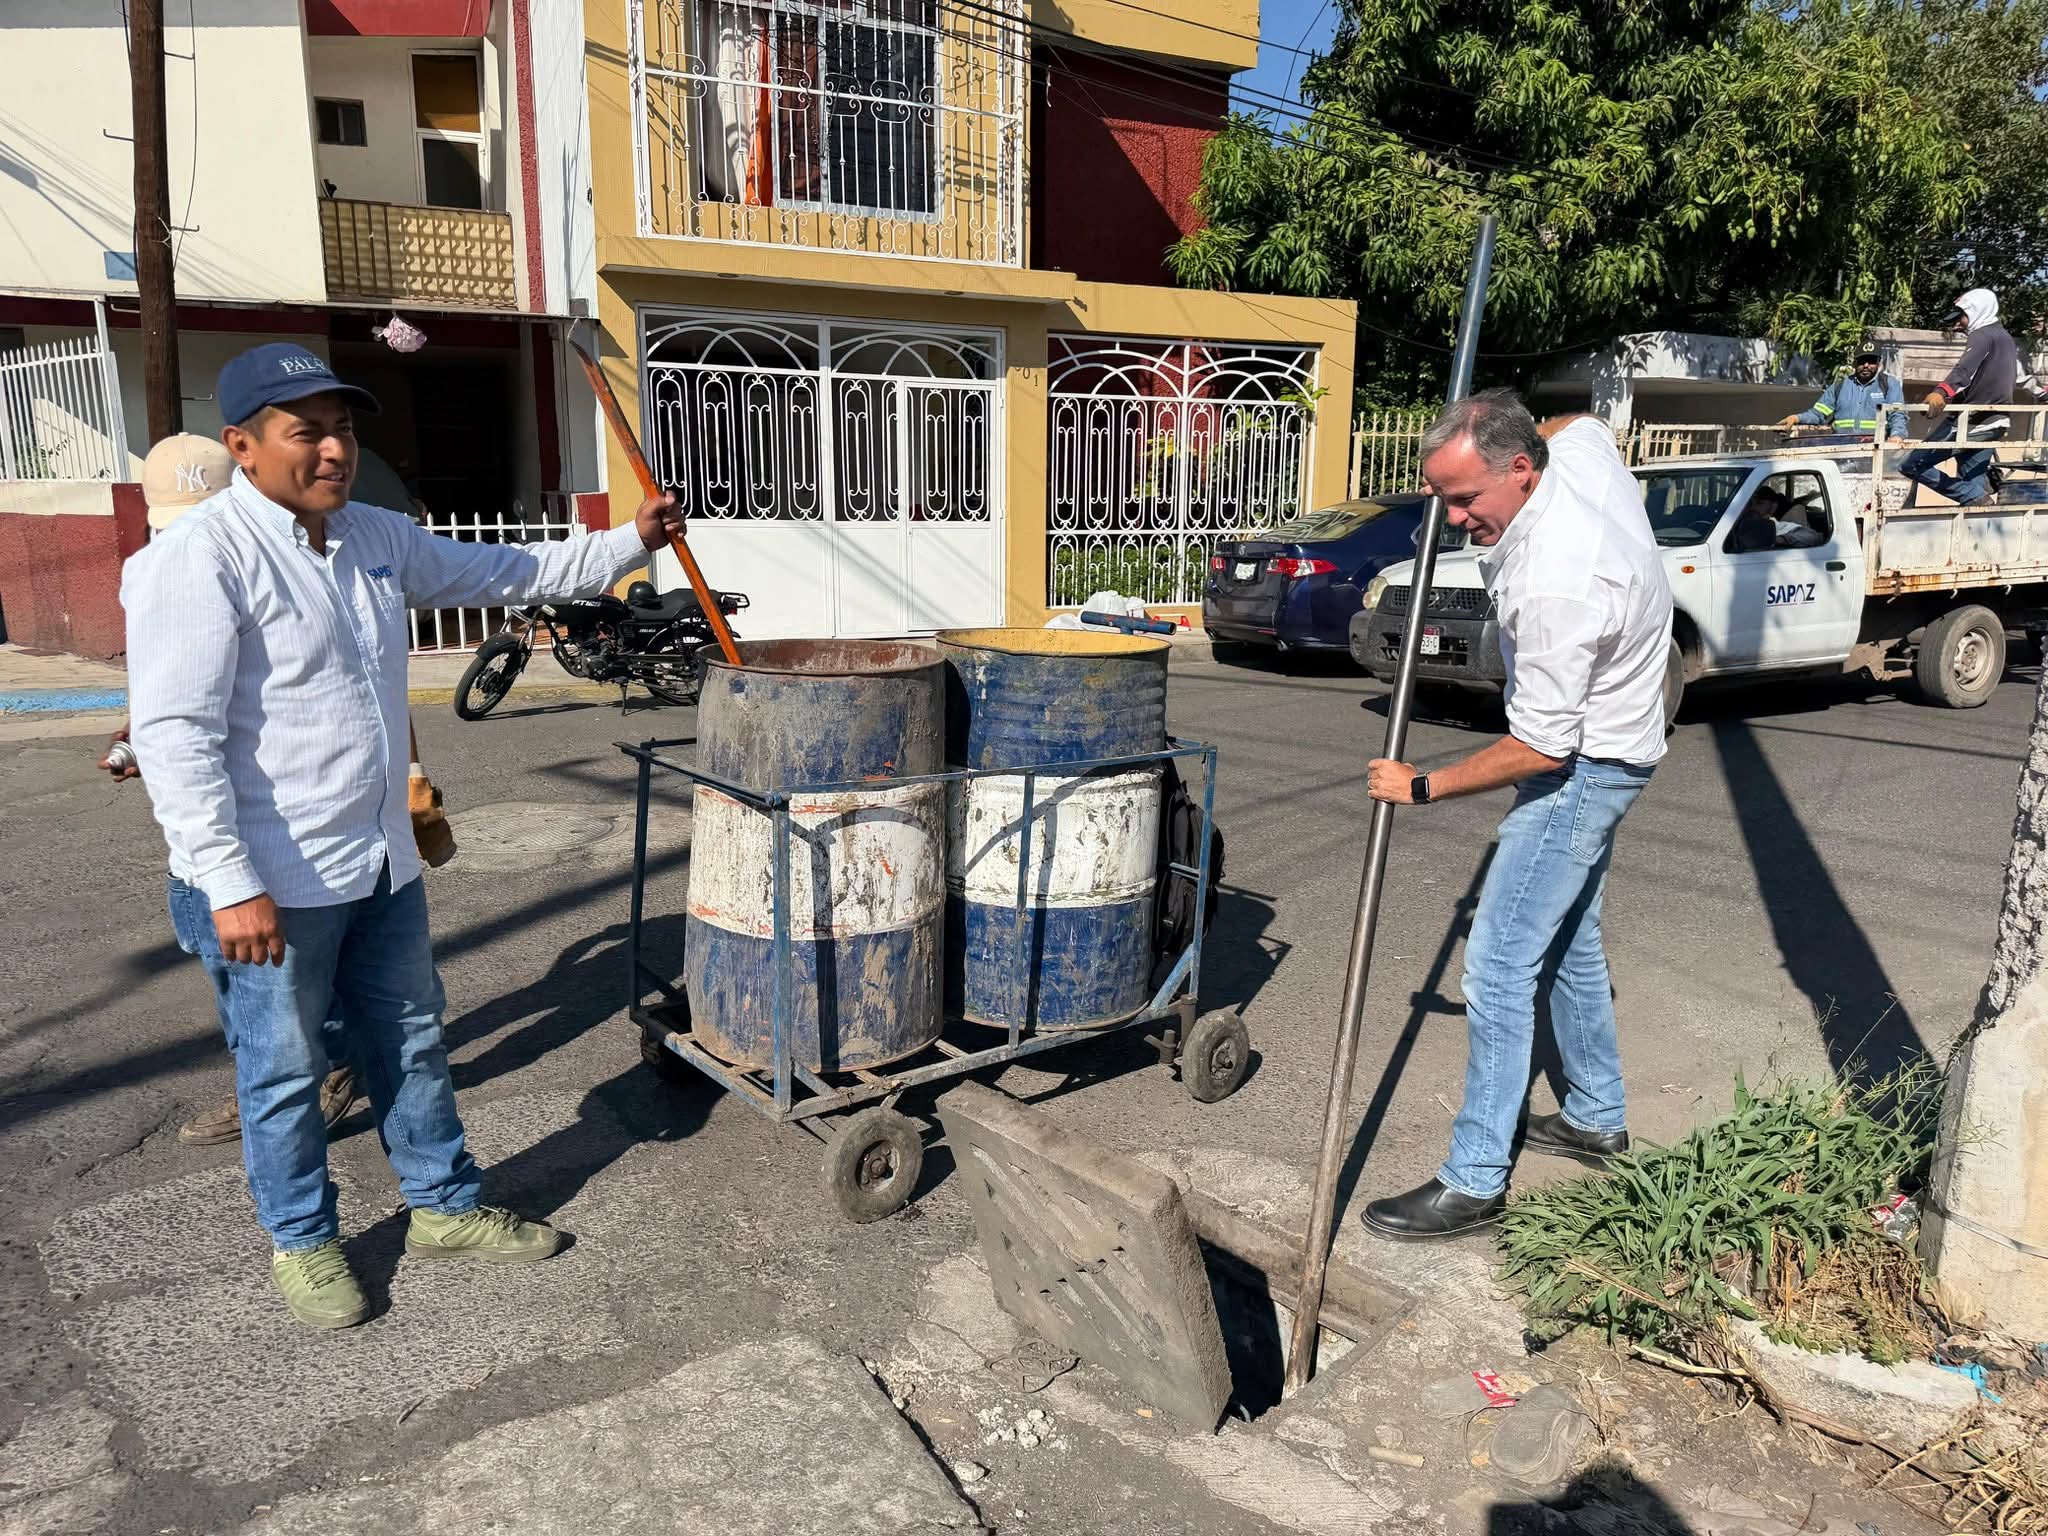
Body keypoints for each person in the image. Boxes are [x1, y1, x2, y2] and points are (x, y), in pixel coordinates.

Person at [121, 343, 686, 1330]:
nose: (335, 449)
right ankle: (303, 1242)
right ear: (243, 446)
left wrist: (627, 541)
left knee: (413, 1039)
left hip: (376, 860)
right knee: (285, 1071)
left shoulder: (372, 537)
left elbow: (510, 567)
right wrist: (226, 880)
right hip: (271, 879)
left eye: (343, 429)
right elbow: (173, 734)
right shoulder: (197, 560)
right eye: (308, 431)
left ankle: (443, 1205)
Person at [1359, 390, 1673, 1240]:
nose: (1456, 518)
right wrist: (1514, 414)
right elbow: (1584, 426)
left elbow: (1541, 749)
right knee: (1569, 942)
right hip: (1624, 741)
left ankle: (1475, 1179)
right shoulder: (1571, 458)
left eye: (1468, 500)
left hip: (1586, 767)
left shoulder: (1557, 581)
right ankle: (1595, 1116)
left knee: (1498, 968)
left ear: (1520, 472)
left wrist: (1419, 786)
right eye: (1443, 499)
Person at [101, 434, 366, 1145]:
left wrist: (405, 774)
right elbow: (176, 697)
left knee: (274, 968)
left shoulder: (286, 562)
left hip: (281, 833)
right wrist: (142, 739)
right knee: (222, 951)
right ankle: (290, 1069)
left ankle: (318, 1068)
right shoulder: (169, 566)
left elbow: (361, 685)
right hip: (208, 829)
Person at [1899, 288, 2020, 507]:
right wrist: (2041, 393)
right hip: (1997, 423)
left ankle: (1974, 498)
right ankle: (1978, 519)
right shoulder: (2006, 339)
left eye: (1962, 318)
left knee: (1912, 464)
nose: (1959, 324)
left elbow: (1964, 371)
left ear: (1976, 312)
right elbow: (2020, 374)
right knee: (1971, 486)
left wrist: (1941, 392)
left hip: (1971, 423)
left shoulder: (1982, 335)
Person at [1777, 347, 1906, 441]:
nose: (1866, 365)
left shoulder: (1889, 384)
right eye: (1862, 361)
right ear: (1855, 363)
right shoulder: (1840, 386)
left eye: (1871, 361)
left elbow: (1897, 415)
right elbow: (1818, 414)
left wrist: (1896, 436)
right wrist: (1796, 418)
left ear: (1878, 362)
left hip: (1874, 450)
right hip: (1842, 449)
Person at [1729, 484, 1824, 553]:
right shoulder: (1732, 524)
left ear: (1773, 506)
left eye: (1759, 503)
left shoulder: (1778, 526)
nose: (1753, 508)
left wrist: (1778, 539)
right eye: (1750, 504)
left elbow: (1812, 537)